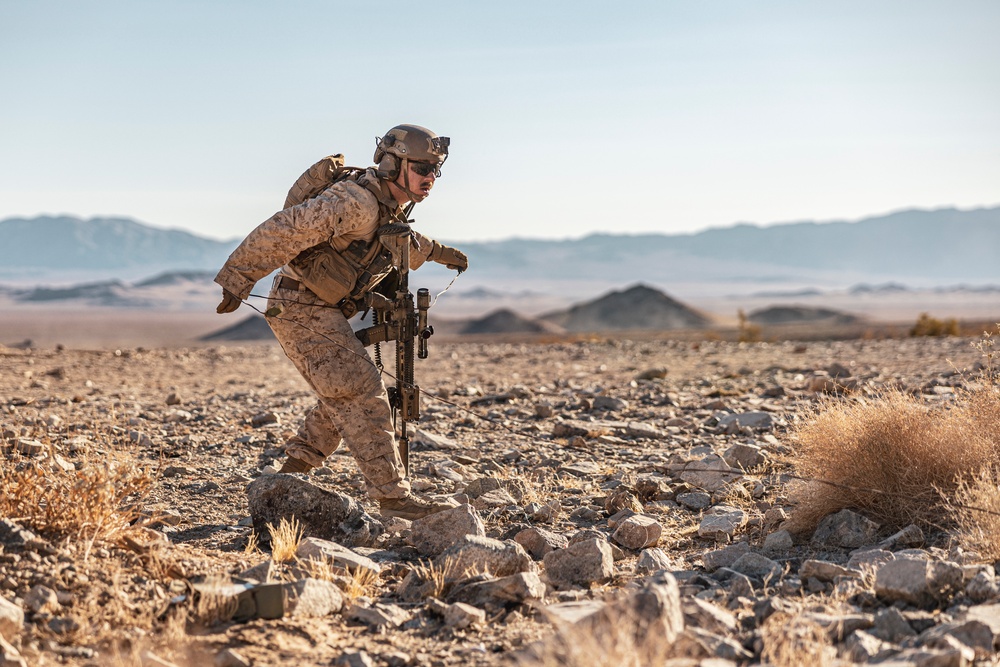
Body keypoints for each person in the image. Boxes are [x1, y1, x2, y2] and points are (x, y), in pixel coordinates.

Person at [213, 124, 468, 520]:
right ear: (392, 163)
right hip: (298, 305)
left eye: (436, 170)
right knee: (359, 389)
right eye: (422, 168)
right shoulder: (355, 202)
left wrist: (440, 253)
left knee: (342, 390)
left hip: (323, 306)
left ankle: (287, 480)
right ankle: (393, 499)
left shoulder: (386, 204)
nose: (430, 178)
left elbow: (400, 241)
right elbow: (286, 229)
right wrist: (238, 277)